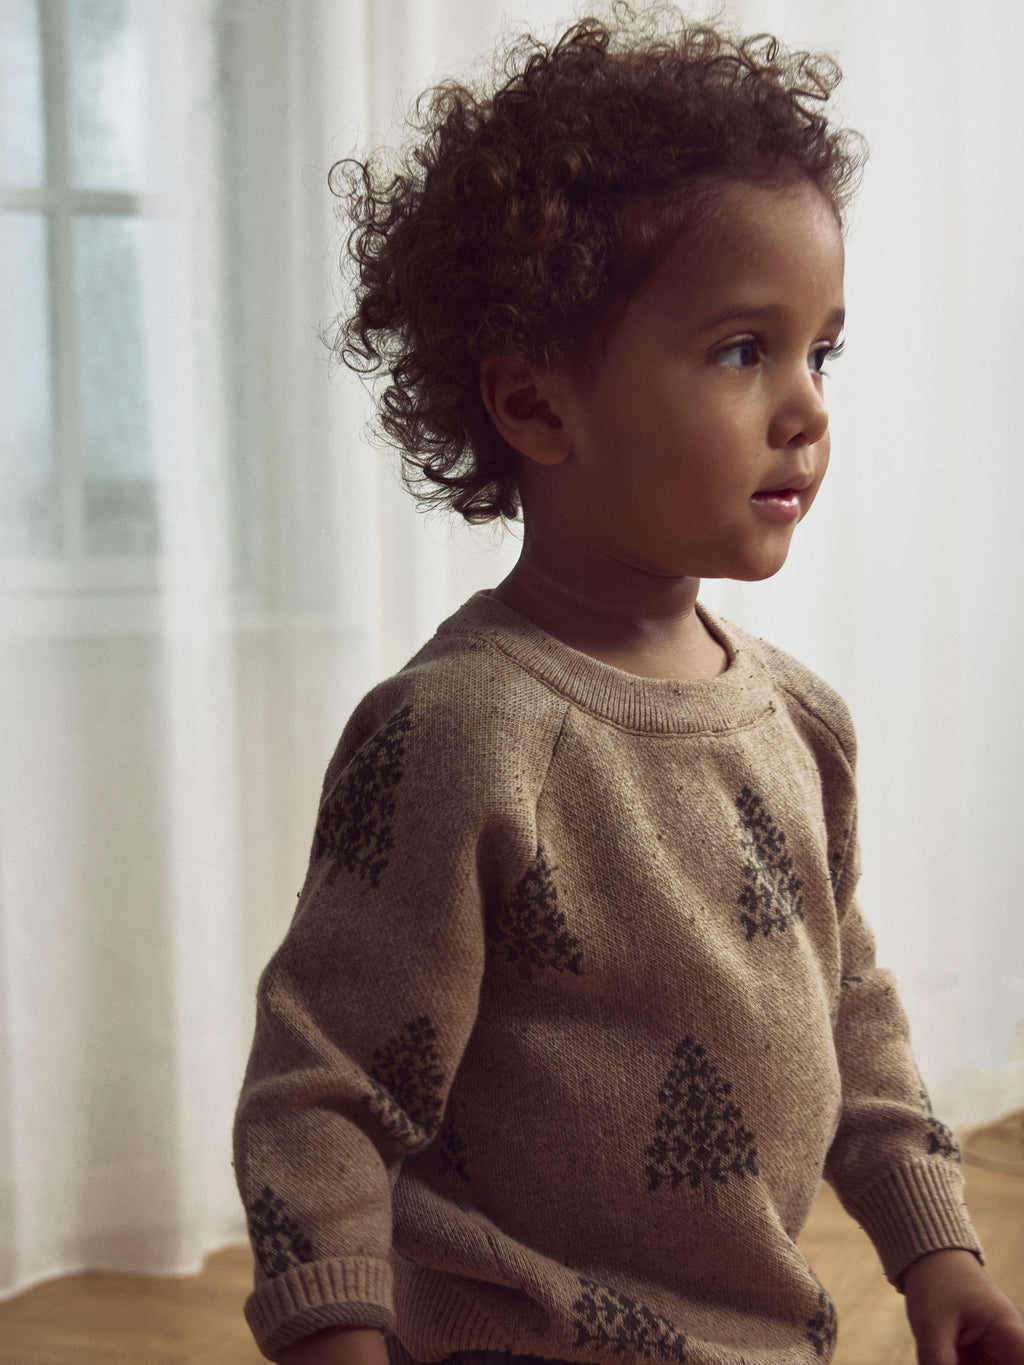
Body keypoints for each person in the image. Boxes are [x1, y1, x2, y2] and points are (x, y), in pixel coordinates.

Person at [233, 9, 1024, 1364]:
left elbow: (848, 1005)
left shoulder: (801, 723)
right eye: (744, 350)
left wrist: (936, 1249)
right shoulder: (461, 734)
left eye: (821, 351)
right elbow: (326, 1090)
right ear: (536, 405)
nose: (808, 407)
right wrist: (336, 1335)